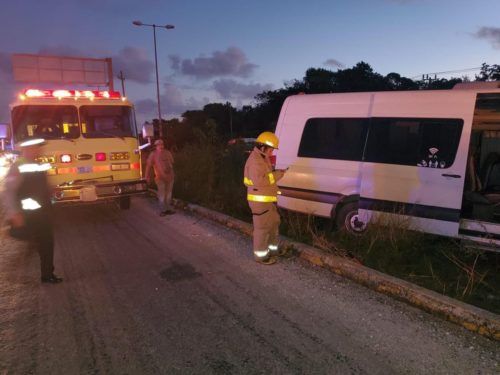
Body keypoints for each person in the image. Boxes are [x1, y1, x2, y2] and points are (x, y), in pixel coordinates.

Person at [3, 138, 62, 284]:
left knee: (47, 242)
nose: (38, 150)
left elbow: (43, 184)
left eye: (38, 147)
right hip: (29, 212)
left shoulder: (39, 164)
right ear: (26, 149)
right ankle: (8, 231)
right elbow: (9, 191)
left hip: (43, 211)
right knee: (33, 237)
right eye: (35, 147)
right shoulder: (18, 166)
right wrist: (14, 213)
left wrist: (52, 191)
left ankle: (47, 275)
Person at [244, 131, 288, 265]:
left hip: (267, 201)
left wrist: (275, 173)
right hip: (259, 202)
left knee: (273, 224)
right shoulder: (255, 161)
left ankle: (273, 250)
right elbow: (261, 181)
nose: (272, 152)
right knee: (262, 229)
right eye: (271, 149)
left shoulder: (262, 157)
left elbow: (266, 176)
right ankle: (261, 256)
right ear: (263, 147)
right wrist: (278, 174)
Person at [145, 139, 175, 216]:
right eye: (158, 145)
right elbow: (148, 166)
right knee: (162, 195)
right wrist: (146, 176)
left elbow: (171, 163)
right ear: (155, 146)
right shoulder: (153, 154)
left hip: (170, 177)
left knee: (168, 194)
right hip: (160, 178)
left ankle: (168, 209)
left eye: (162, 144)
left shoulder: (167, 153)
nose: (161, 146)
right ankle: (162, 211)